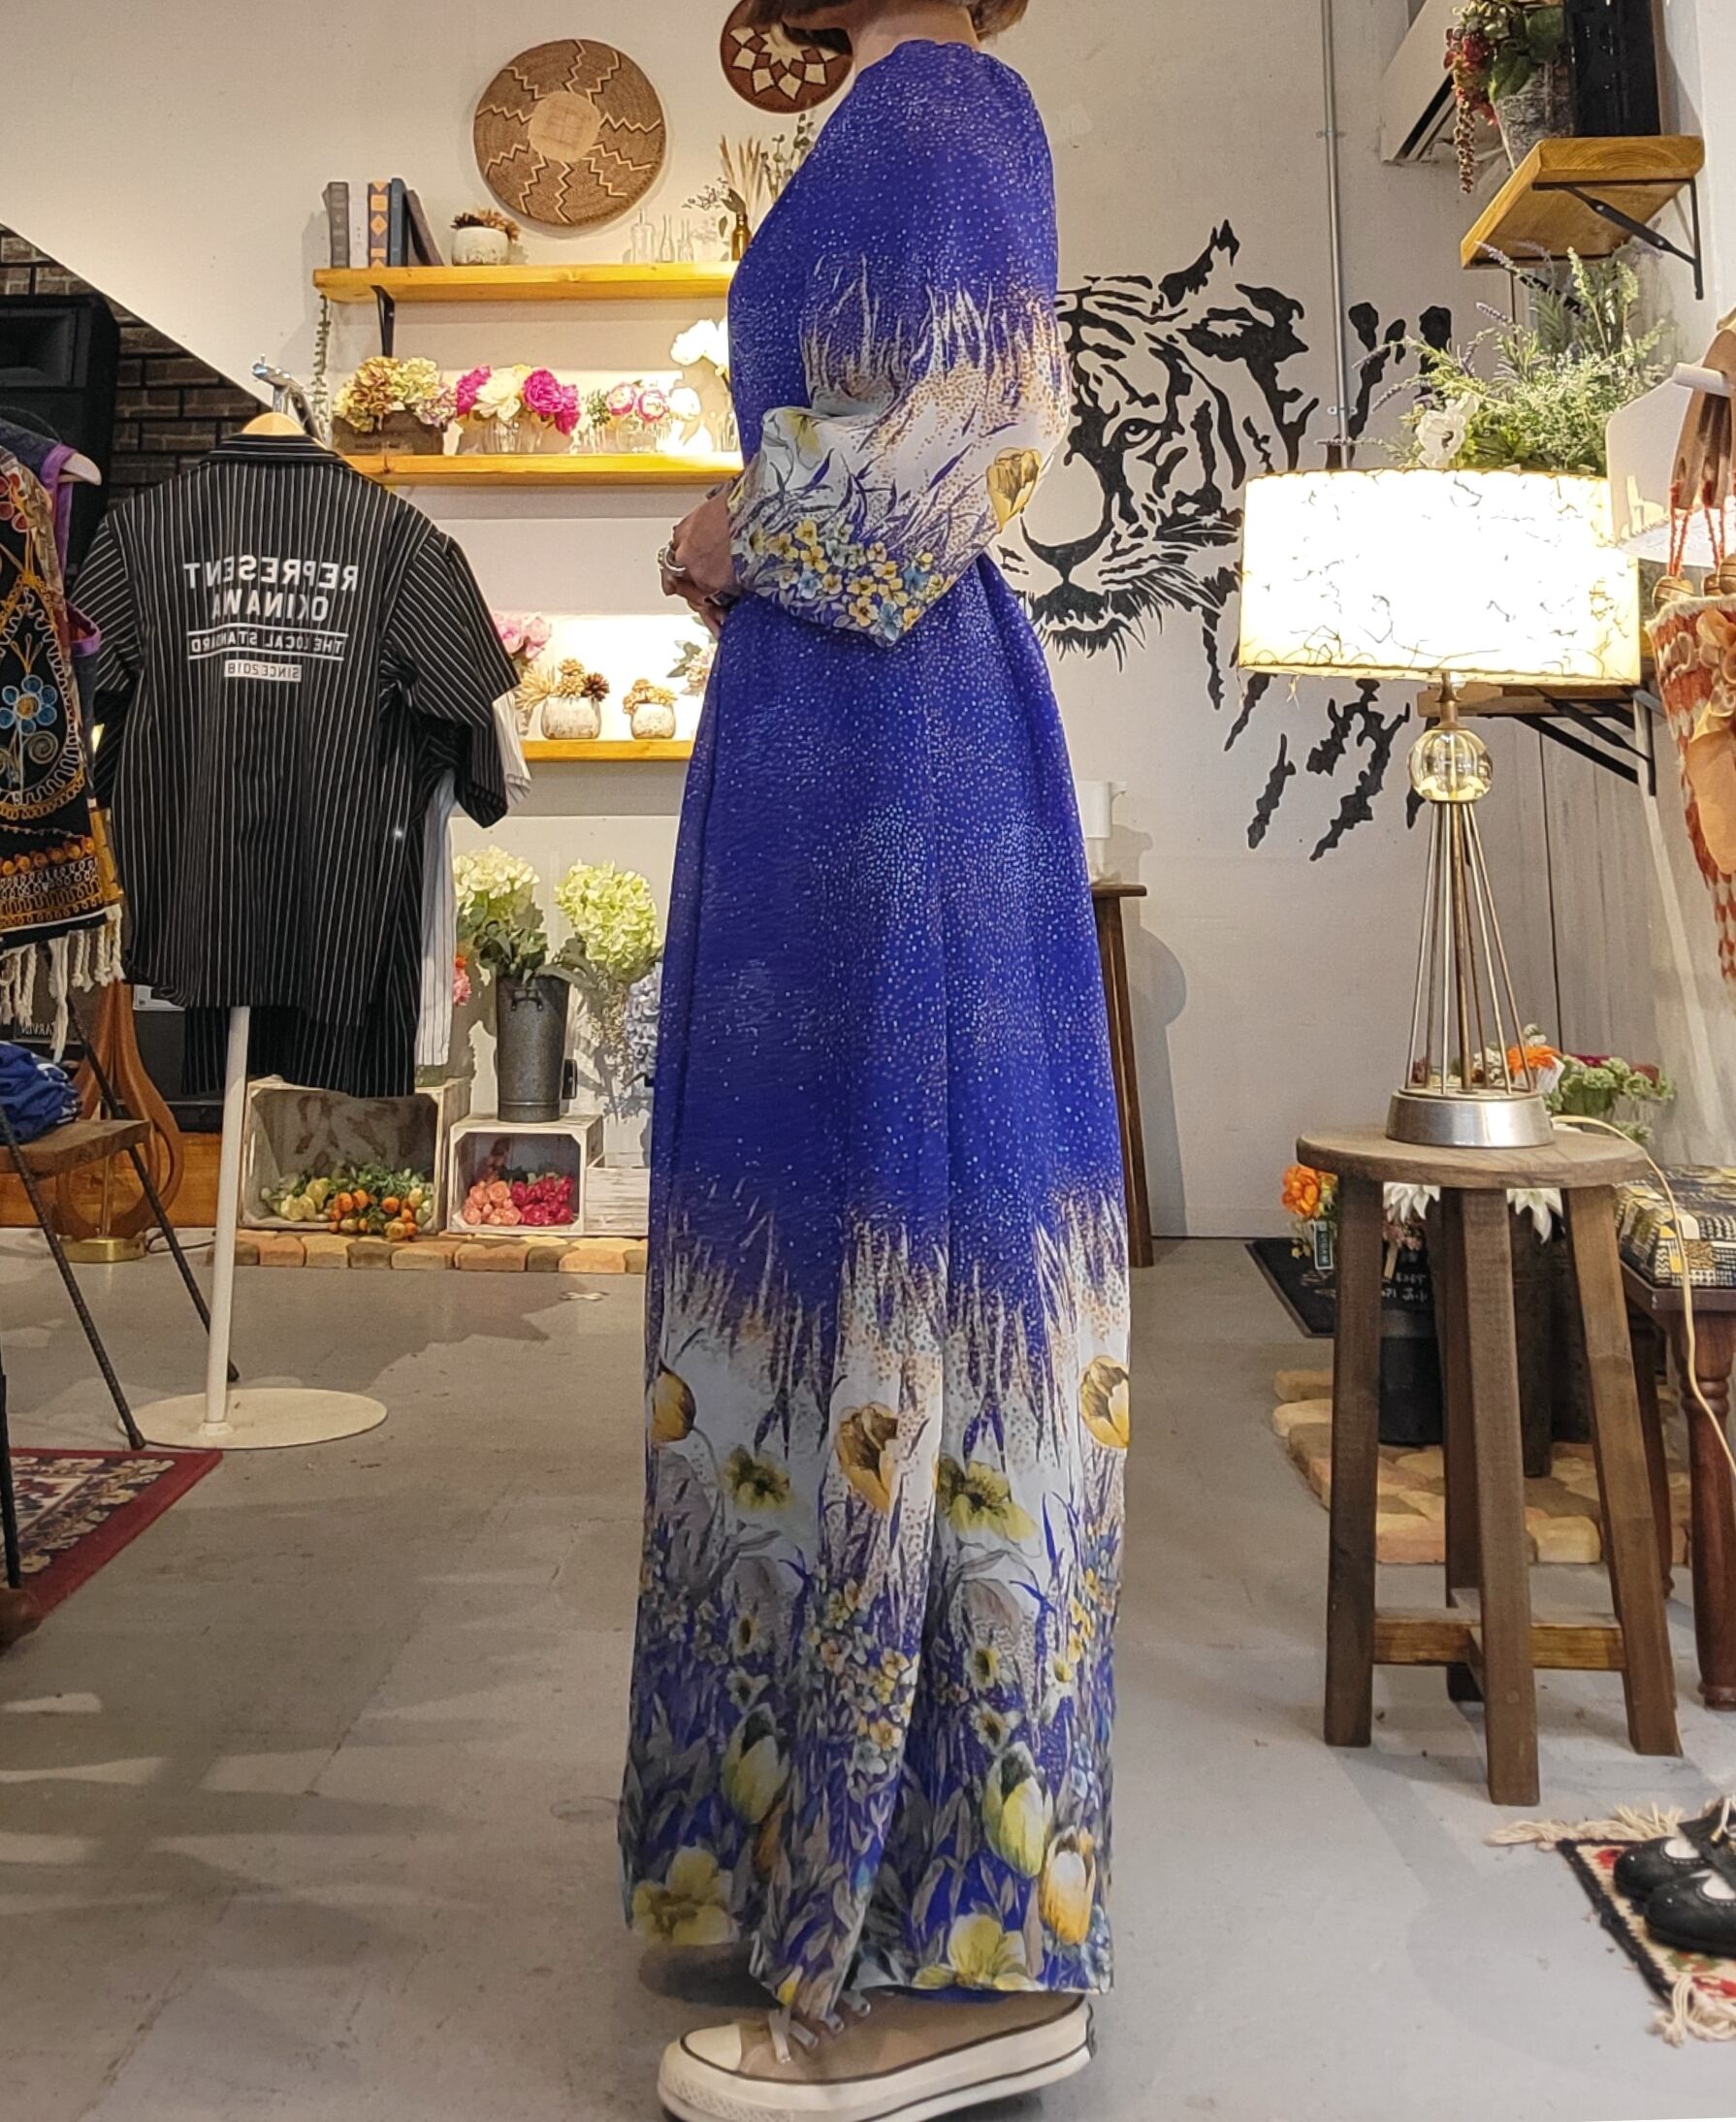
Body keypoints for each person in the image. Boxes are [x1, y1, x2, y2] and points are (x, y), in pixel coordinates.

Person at [621, 5, 1131, 2116]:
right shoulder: (893, 114)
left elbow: (991, 422)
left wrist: (738, 531)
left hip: (888, 743)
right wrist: (746, 535)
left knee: (905, 1262)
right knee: (839, 1259)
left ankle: (953, 1950)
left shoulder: (945, 98)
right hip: (845, 736)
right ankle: (793, 1835)